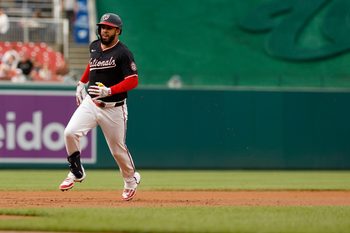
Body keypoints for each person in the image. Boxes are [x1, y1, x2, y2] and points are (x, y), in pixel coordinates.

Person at [59, 13, 141, 201]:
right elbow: (92, 64)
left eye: (109, 27)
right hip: (91, 102)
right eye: (103, 26)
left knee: (117, 150)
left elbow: (133, 80)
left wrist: (110, 91)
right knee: (70, 133)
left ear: (118, 31)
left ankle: (130, 180)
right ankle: (77, 172)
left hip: (114, 107)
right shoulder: (94, 46)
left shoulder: (123, 53)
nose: (104, 30)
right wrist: (81, 82)